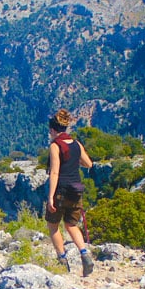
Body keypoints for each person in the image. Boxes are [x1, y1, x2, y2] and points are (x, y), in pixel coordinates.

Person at [45, 109, 94, 276]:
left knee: (53, 225)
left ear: (53, 130)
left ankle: (62, 259)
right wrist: (75, 159)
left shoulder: (55, 146)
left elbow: (55, 173)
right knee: (71, 224)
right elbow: (89, 164)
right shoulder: (76, 144)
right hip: (76, 190)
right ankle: (84, 253)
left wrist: (50, 197)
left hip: (61, 190)